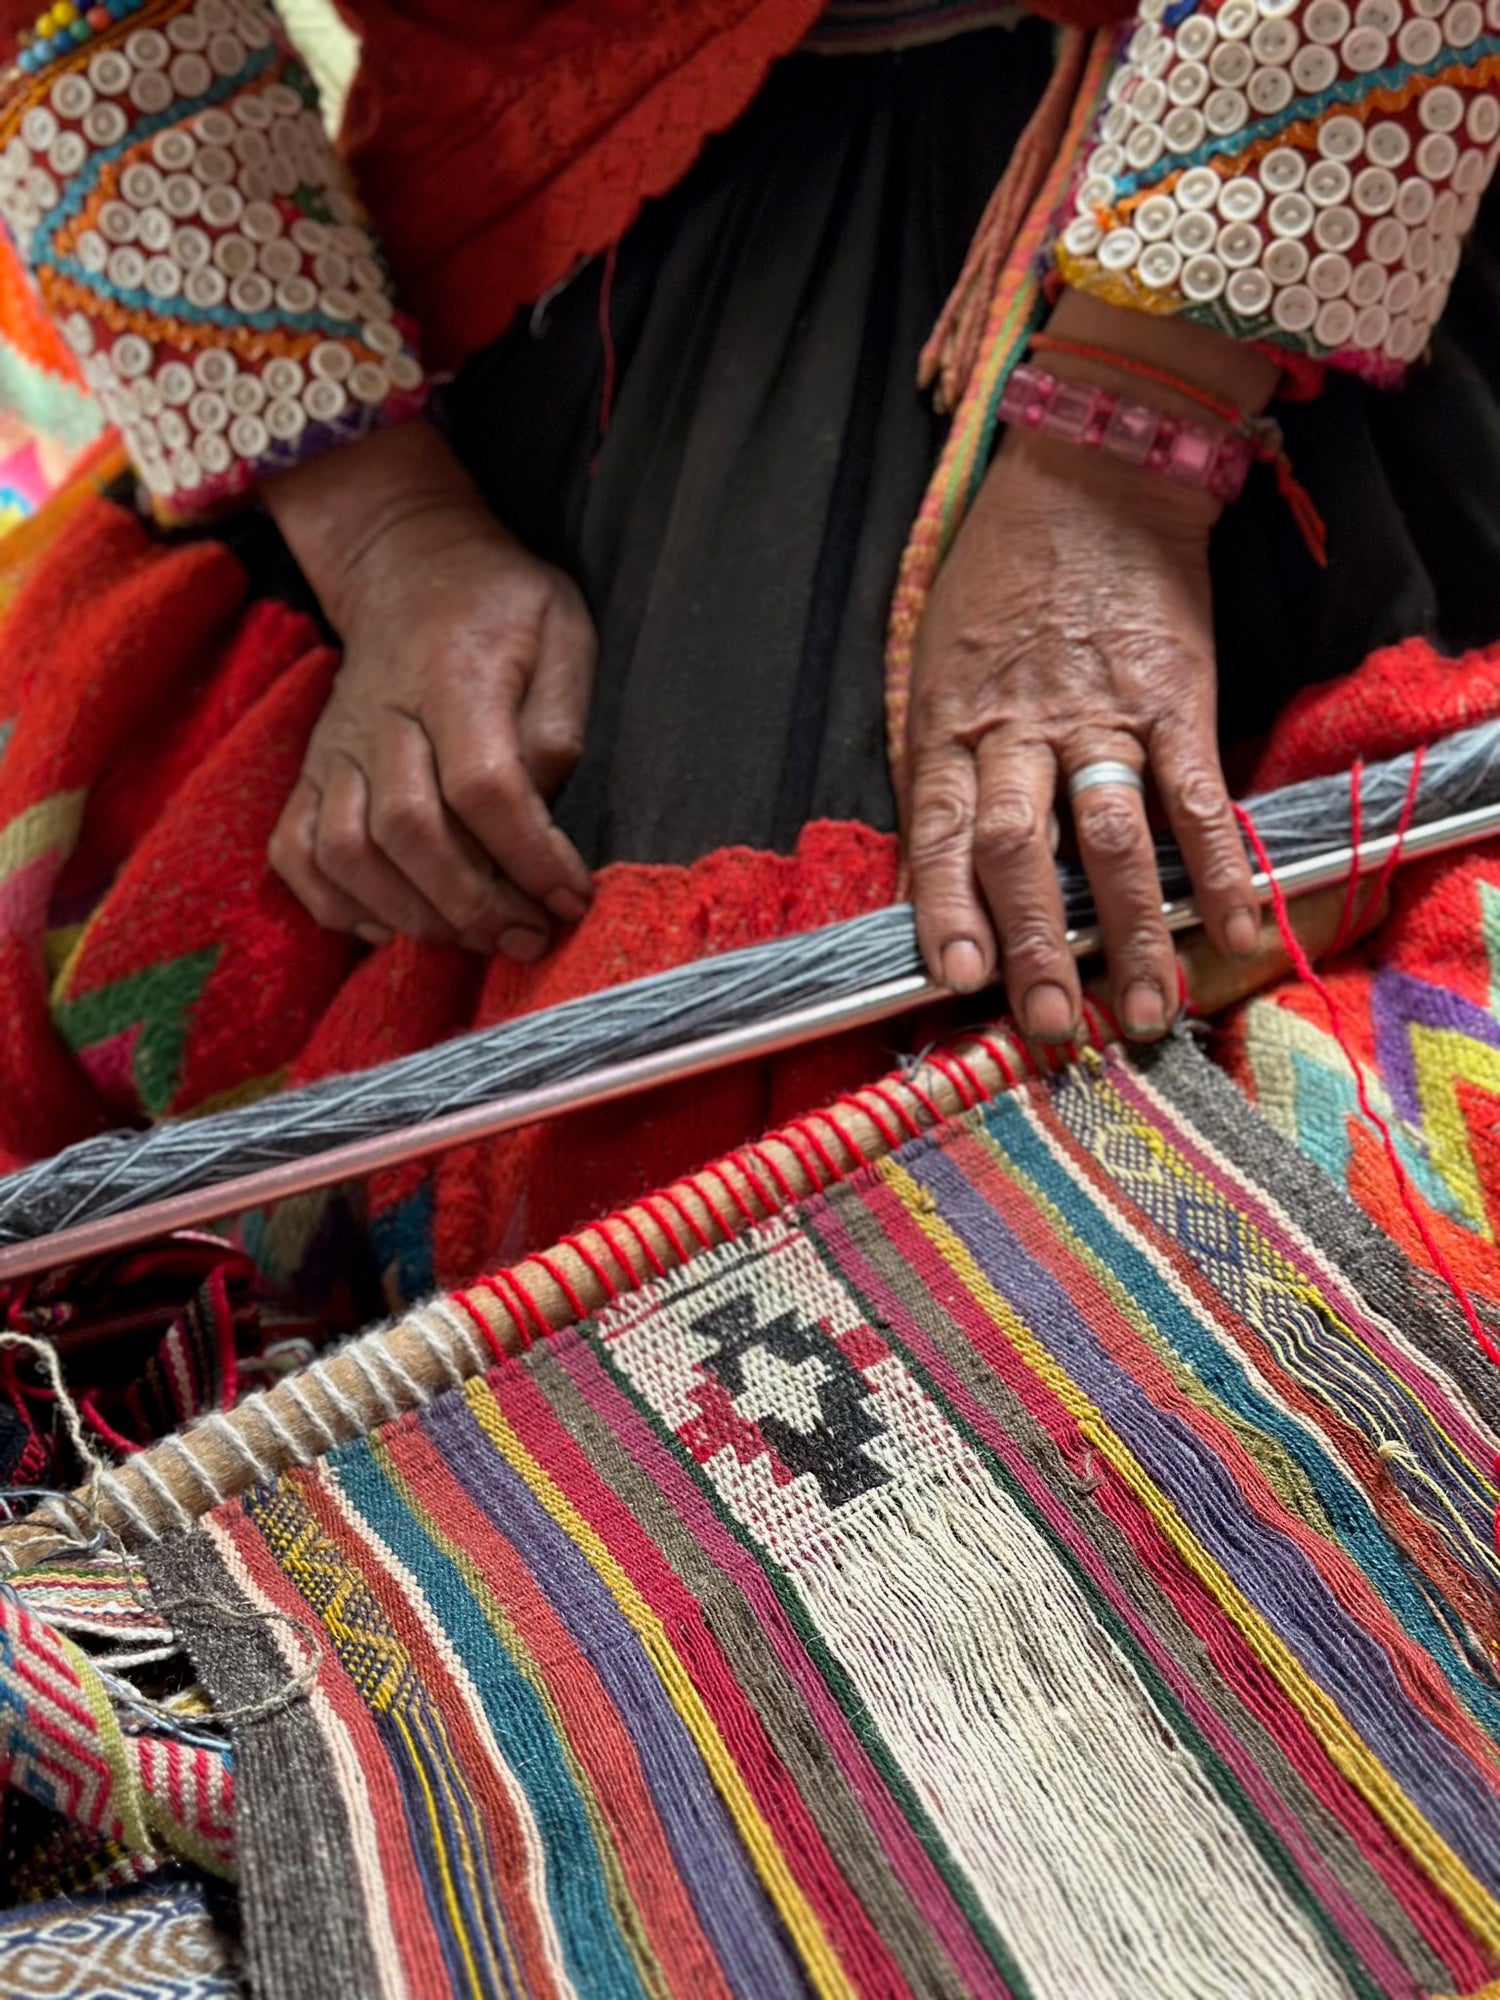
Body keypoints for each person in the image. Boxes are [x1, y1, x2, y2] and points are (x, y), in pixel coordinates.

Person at [0, 0, 1498, 1276]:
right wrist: (388, 541)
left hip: (1290, 168)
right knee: (633, 1184)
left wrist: (1125, 454)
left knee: (910, 1183)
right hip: (524, 242)